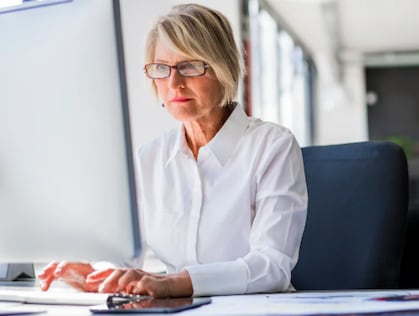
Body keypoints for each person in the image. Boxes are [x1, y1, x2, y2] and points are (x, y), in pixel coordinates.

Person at [37, 3, 308, 298]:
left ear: (223, 67)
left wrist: (173, 283)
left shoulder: (272, 146)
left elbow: (272, 267)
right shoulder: (150, 157)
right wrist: (96, 272)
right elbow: (126, 256)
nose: (174, 83)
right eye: (161, 69)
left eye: (189, 66)